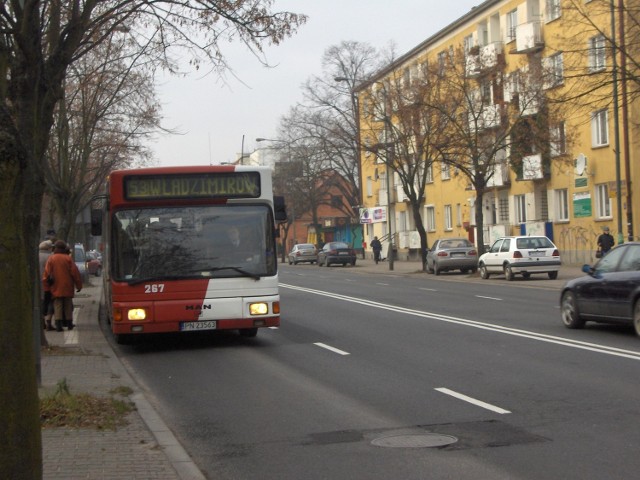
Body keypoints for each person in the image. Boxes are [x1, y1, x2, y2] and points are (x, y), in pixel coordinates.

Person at [42, 240, 83, 331]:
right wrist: (79, 286)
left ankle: (58, 325)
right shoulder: (68, 259)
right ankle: (69, 323)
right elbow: (75, 273)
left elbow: (46, 275)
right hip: (67, 286)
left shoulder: (51, 259)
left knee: (58, 305)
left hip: (55, 286)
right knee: (68, 305)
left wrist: (46, 288)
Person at [38, 240, 54, 331]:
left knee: (41, 302)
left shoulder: (36, 256)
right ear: (48, 248)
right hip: (49, 283)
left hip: (38, 284)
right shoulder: (51, 257)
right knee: (50, 302)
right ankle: (49, 319)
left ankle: (42, 321)